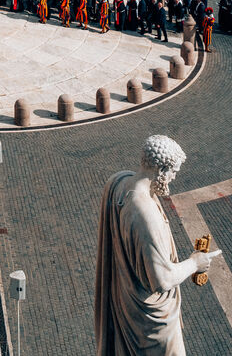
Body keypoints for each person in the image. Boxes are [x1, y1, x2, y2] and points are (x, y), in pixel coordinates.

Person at [94, 135, 221, 356]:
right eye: (173, 172)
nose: (174, 177)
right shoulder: (145, 215)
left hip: (126, 301)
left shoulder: (119, 182)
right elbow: (162, 280)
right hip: (152, 324)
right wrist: (196, 262)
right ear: (161, 169)